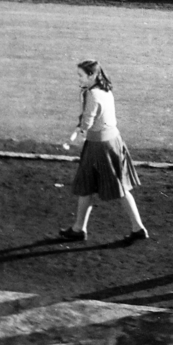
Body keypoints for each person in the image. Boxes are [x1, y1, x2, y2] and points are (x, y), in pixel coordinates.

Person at [56, 59, 150, 245]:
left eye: (81, 75)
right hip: (111, 142)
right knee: (97, 186)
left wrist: (78, 132)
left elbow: (88, 121)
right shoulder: (104, 89)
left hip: (100, 146)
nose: (79, 79)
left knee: (98, 187)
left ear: (91, 75)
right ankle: (79, 228)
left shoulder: (92, 94)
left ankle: (137, 228)